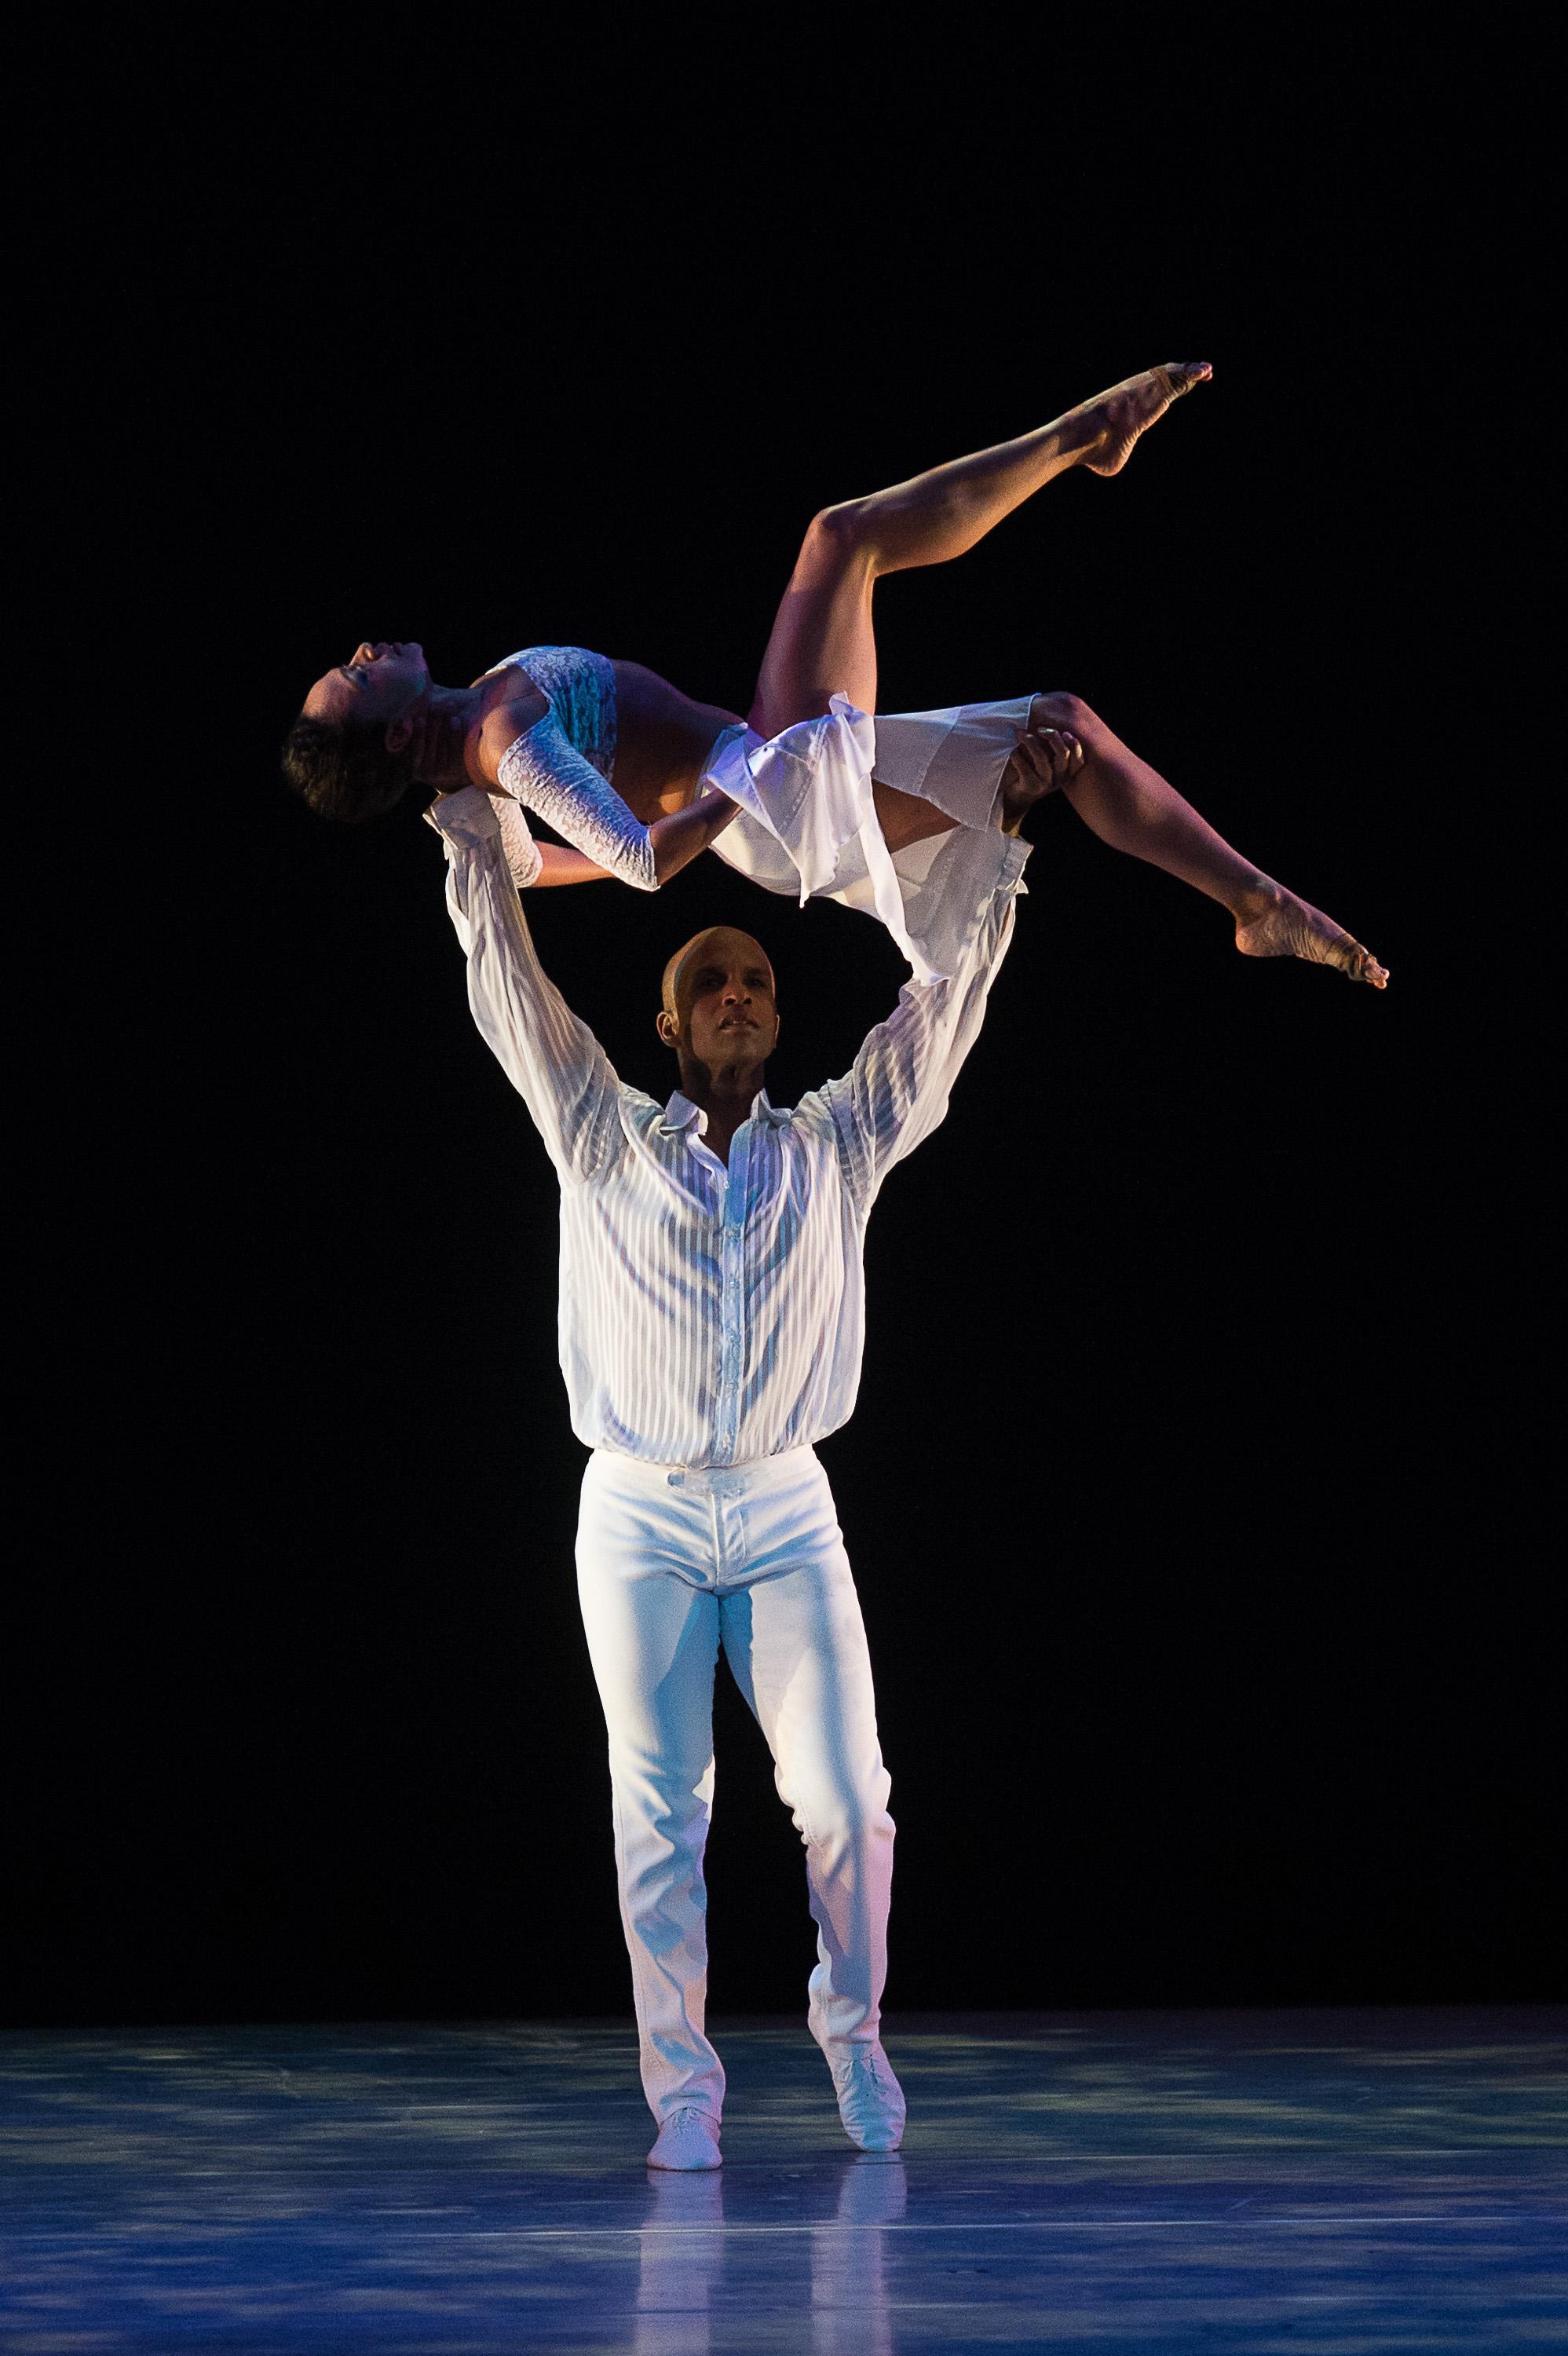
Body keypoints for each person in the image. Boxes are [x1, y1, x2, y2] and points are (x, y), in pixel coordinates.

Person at [423, 720, 1051, 2169]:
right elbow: (508, 987)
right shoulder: (599, 1133)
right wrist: (466, 818)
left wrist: (1003, 848)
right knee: (660, 1816)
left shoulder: (835, 1141)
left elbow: (940, 1011)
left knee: (848, 1801)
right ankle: (685, 2099)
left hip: (782, 1507)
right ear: (664, 1025)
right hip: (635, 1512)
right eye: (705, 981)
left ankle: (852, 2041)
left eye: (754, 979)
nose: (733, 994)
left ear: (775, 1018)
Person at [284, 362, 1390, 991]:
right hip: (767, 787)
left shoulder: (486, 737)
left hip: (765, 773)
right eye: (354, 677)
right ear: (391, 733)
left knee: (983, 659)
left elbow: (529, 869)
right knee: (849, 546)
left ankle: (1252, 903)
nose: (365, 653)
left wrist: (729, 793)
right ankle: (1080, 441)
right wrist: (732, 799)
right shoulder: (500, 737)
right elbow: (637, 865)